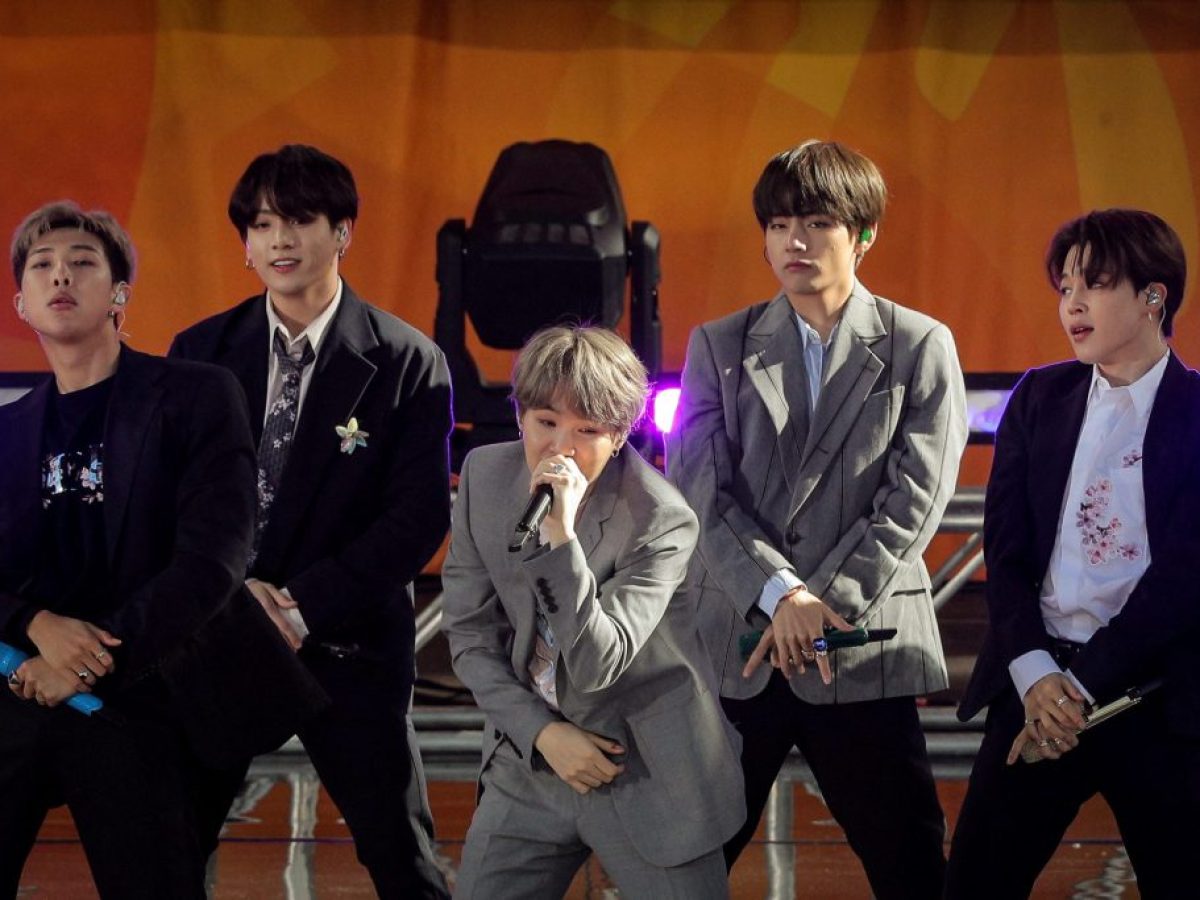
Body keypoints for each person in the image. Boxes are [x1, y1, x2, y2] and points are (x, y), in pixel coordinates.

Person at [667, 140, 967, 897]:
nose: (793, 242)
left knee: (909, 865)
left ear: (864, 235)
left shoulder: (918, 344)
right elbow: (700, 492)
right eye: (778, 225)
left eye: (815, 223)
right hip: (741, 646)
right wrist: (782, 596)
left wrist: (818, 607)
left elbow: (916, 499)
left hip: (863, 650)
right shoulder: (720, 344)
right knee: (684, 864)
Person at [0, 201, 322, 897]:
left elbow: (213, 560)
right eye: (42, 266)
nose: (61, 276)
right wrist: (35, 624)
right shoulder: (9, 429)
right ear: (21, 303)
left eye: (82, 262)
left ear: (120, 293)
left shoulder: (196, 394)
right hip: (33, 684)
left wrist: (88, 662)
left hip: (152, 690)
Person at [169, 144, 453, 898]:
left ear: (342, 231)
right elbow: (176, 502)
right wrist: (237, 600)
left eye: (298, 220)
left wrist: (300, 606)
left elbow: (418, 517)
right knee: (169, 847)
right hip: (220, 632)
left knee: (399, 854)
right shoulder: (200, 353)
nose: (279, 241)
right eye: (262, 225)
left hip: (346, 639)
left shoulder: (407, 360)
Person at [946, 209, 1200, 898]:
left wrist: (1084, 686)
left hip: (1155, 697)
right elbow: (1005, 548)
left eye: (1096, 284)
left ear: (1153, 297)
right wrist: (1035, 674)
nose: (1073, 305)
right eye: (1065, 288)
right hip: (1038, 686)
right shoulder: (1040, 395)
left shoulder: (1194, 410)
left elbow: (1184, 580)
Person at [441, 325, 744, 899]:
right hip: (532, 760)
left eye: (587, 431)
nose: (561, 448)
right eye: (545, 422)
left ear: (621, 434)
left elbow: (596, 662)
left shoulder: (660, 518)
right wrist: (541, 733)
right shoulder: (485, 477)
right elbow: (469, 635)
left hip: (647, 763)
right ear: (520, 416)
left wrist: (560, 538)